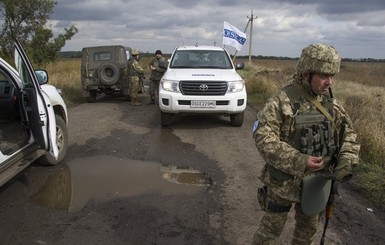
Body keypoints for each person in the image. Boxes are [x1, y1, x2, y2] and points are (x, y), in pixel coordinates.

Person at [252, 43, 360, 244]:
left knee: (307, 235)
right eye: (323, 76)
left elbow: (349, 135)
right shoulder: (282, 101)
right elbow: (263, 137)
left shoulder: (330, 103)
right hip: (283, 184)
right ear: (305, 74)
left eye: (332, 76)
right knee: (268, 234)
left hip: (317, 184)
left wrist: (346, 160)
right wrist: (300, 160)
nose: (329, 82)